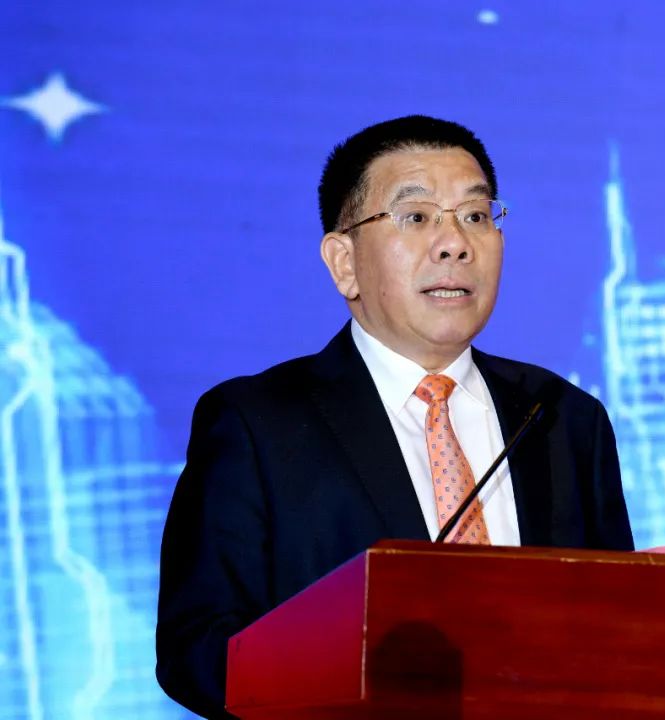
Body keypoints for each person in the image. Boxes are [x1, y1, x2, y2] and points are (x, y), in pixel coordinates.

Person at [155, 115, 634, 719]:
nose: (455, 243)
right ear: (344, 262)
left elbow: (624, 634)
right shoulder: (257, 424)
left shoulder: (564, 417)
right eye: (416, 217)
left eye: (476, 216)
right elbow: (198, 649)